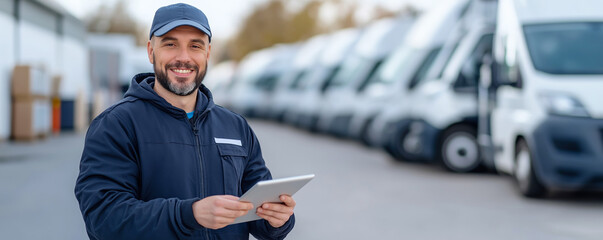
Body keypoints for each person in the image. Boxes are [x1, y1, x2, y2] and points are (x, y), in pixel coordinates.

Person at [74, 3, 295, 239]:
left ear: (208, 53)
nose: (183, 57)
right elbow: (104, 218)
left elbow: (258, 215)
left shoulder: (236, 127)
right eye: (170, 44)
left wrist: (277, 220)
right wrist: (188, 215)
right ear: (151, 51)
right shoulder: (116, 125)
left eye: (195, 46)